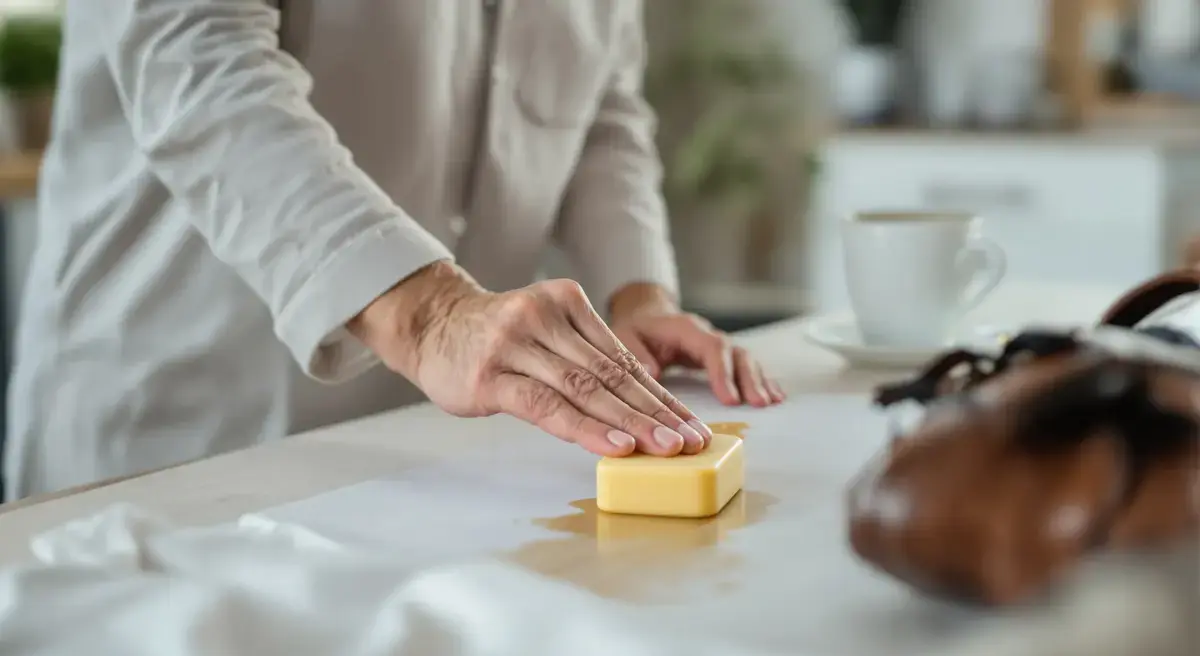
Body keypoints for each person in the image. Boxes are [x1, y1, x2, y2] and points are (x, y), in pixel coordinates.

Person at [3, 1, 784, 500]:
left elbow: (602, 102)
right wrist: (433, 316)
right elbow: (195, 59)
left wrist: (638, 297)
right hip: (179, 437)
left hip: (423, 462)